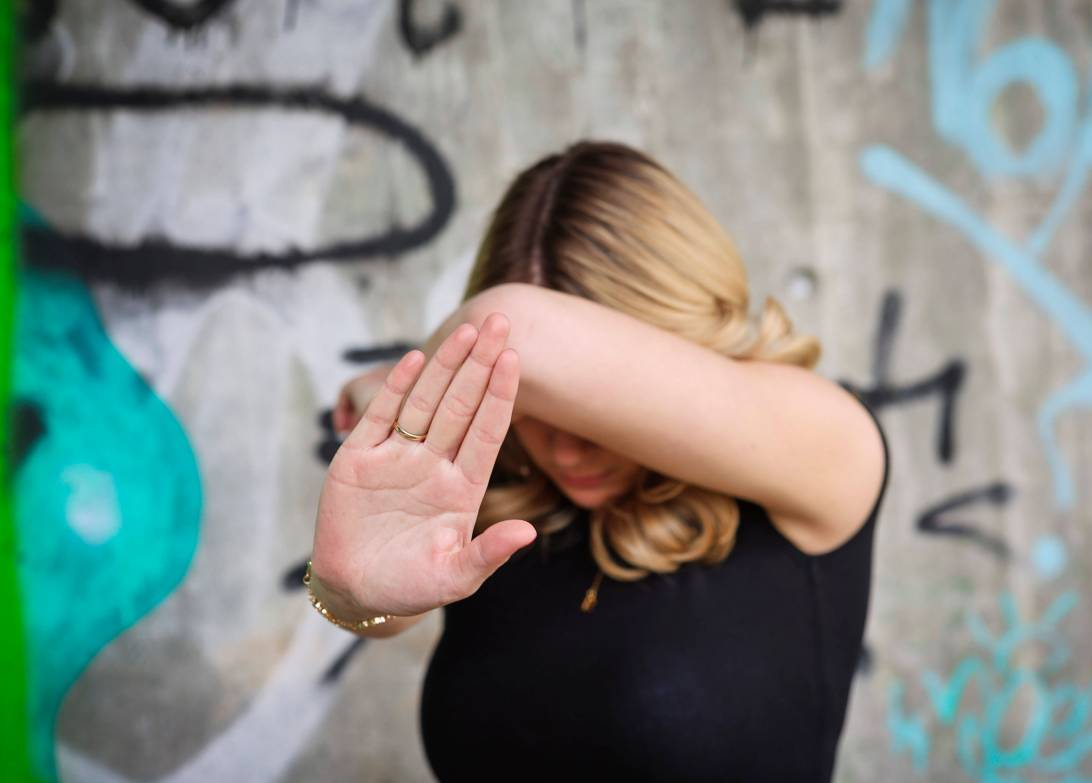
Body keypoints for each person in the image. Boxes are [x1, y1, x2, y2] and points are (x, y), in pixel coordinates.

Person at [308, 140, 890, 782]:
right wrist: (346, 594)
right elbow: (381, 608)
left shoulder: (826, 447)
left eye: (590, 408)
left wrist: (398, 387)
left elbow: (516, 325)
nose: (563, 447)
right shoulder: (495, 483)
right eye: (531, 409)